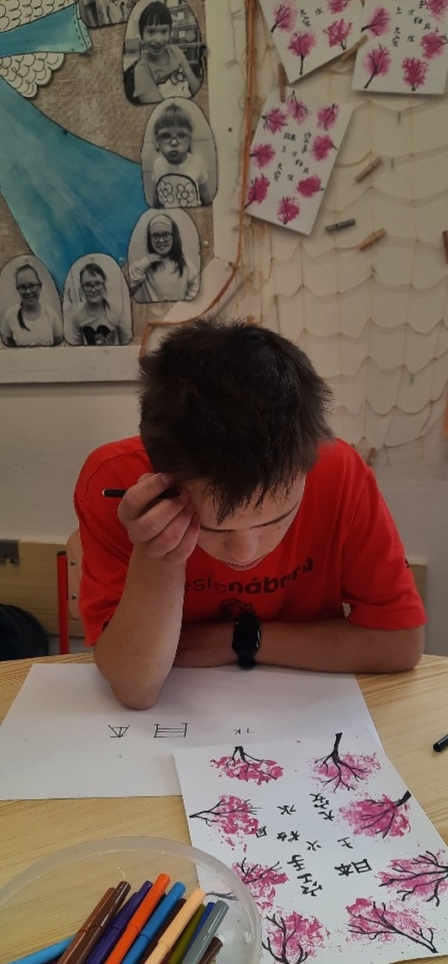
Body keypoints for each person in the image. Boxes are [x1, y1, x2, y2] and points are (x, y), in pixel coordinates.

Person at [75, 318, 426, 710]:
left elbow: (399, 643)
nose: (245, 551)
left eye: (274, 520)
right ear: (163, 480)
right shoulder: (117, 481)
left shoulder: (337, 470)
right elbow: (136, 689)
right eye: (214, 528)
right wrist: (158, 555)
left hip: (302, 709)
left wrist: (237, 639)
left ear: (307, 468)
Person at [131, 1, 201, 105]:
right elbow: (158, 110)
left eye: (164, 31)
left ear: (170, 33)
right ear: (142, 35)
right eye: (151, 32)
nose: (158, 39)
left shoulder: (175, 51)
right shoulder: (142, 69)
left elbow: (196, 87)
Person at [129, 213, 200, 303]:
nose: (161, 240)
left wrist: (185, 305)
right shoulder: (145, 266)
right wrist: (146, 262)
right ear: (150, 239)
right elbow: (129, 285)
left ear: (174, 237)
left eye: (166, 235)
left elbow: (195, 288)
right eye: (155, 236)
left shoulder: (186, 263)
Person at [151, 103, 210, 208]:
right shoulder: (158, 164)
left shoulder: (197, 163)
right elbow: (156, 195)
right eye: (166, 136)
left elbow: (204, 193)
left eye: (181, 135)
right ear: (157, 142)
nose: (174, 143)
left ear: (189, 140)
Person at [0, 263, 63, 348]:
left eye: (32, 285)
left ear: (40, 286)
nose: (28, 291)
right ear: (17, 289)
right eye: (23, 287)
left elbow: (60, 345)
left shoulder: (51, 315)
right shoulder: (10, 316)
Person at [70, 262, 132, 346]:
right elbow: (76, 348)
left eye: (97, 284)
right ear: (82, 288)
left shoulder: (117, 312)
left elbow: (127, 343)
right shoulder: (77, 317)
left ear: (104, 285)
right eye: (87, 285)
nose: (93, 290)